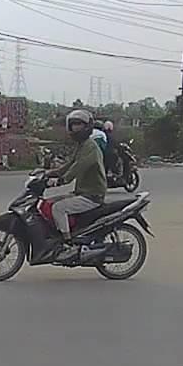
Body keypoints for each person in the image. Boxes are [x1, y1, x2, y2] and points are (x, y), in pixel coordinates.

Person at [45, 109, 107, 258]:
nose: (75, 128)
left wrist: (61, 180)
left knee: (58, 208)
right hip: (82, 192)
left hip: (92, 195)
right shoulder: (82, 145)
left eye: (79, 125)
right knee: (49, 202)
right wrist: (48, 173)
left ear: (87, 127)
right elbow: (69, 164)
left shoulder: (91, 147)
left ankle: (68, 245)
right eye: (73, 125)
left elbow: (78, 167)